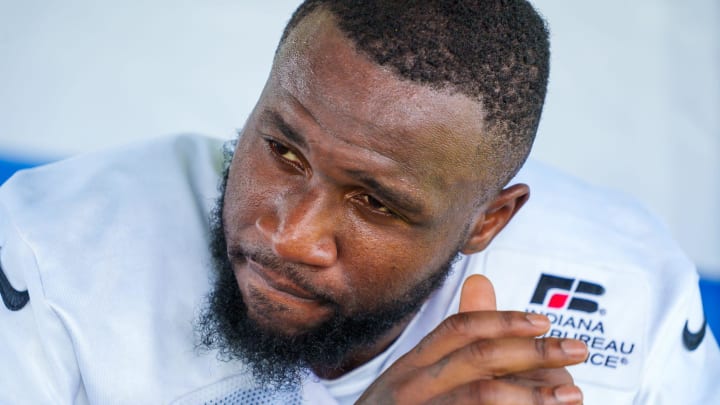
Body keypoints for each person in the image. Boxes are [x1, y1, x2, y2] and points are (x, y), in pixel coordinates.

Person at [0, 1, 718, 404]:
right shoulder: (52, 249)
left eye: (374, 201)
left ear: (489, 221)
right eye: (283, 150)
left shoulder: (631, 290)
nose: (288, 234)